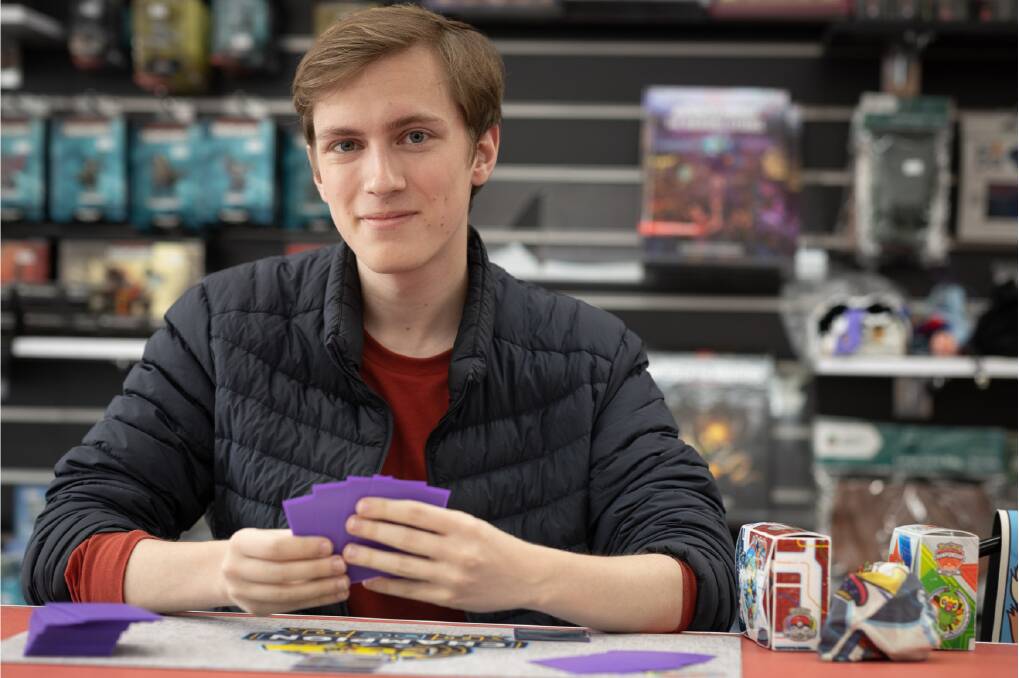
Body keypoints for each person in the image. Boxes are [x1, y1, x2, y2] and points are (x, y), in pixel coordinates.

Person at [23, 4, 735, 633]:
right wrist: (218, 572)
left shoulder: (589, 355)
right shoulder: (220, 324)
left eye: (415, 136)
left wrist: (528, 577)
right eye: (345, 144)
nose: (380, 180)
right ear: (316, 169)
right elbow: (62, 547)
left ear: (481, 151)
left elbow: (701, 577)